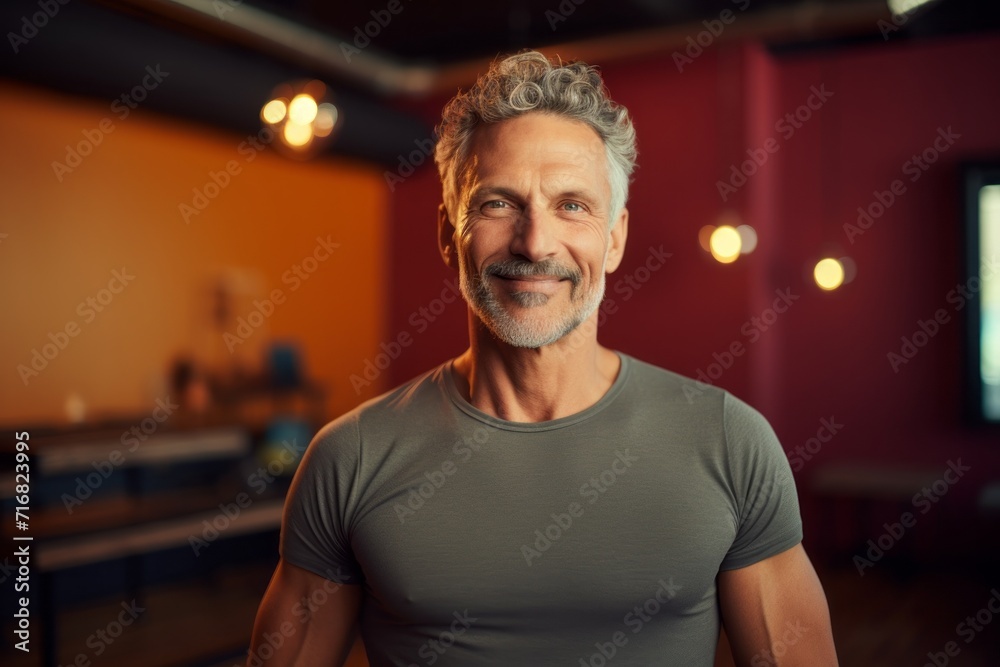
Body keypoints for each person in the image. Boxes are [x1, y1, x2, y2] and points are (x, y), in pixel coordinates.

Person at [245, 50, 838, 666]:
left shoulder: (729, 442)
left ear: (614, 240)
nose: (534, 242)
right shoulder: (351, 457)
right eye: (497, 203)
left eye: (572, 206)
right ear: (449, 237)